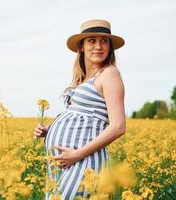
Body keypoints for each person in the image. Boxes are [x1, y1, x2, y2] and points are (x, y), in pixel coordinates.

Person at [34, 19, 126, 199]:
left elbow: (118, 126)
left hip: (84, 161)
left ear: (110, 47)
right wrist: (50, 131)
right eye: (91, 40)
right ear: (82, 47)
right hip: (66, 163)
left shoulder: (109, 74)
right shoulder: (83, 79)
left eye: (104, 41)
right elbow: (83, 118)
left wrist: (77, 155)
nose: (98, 46)